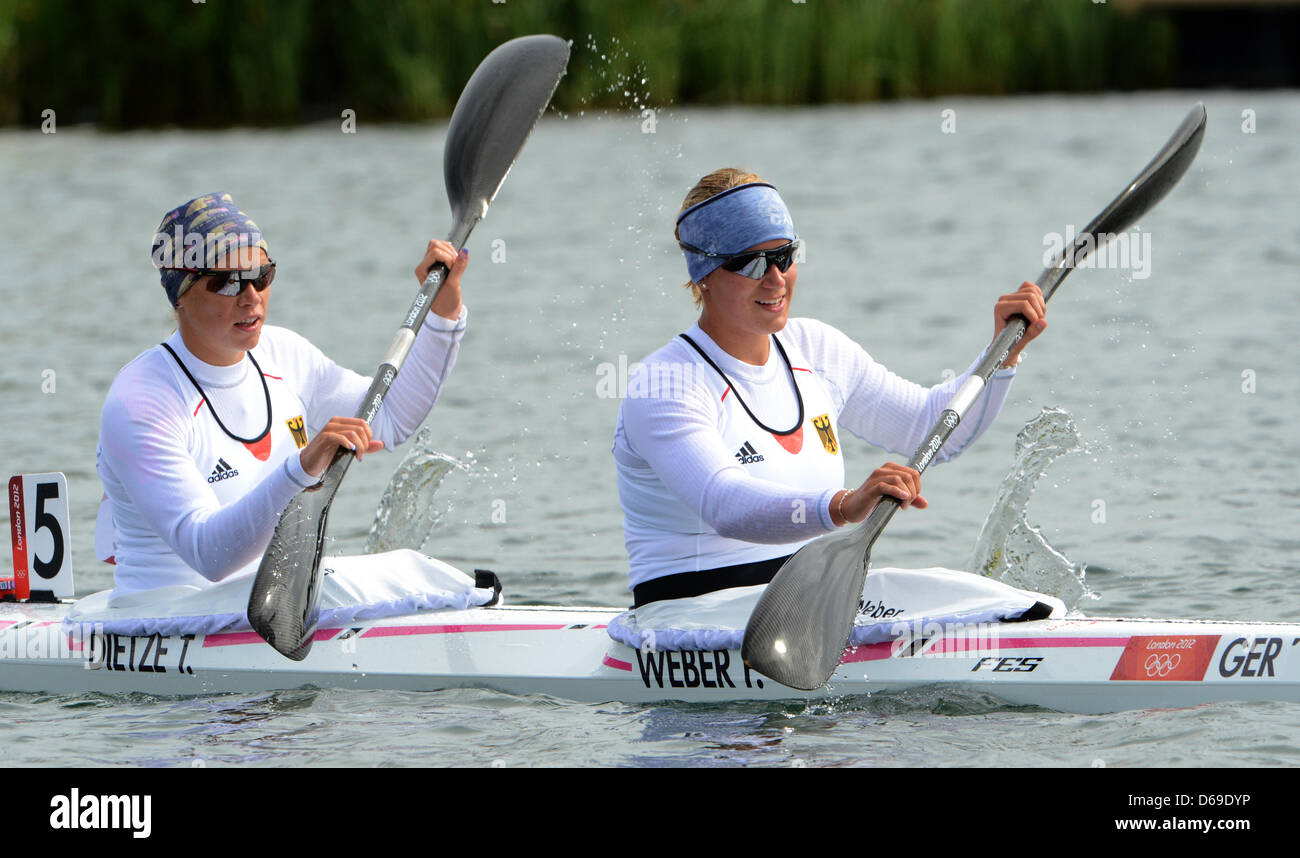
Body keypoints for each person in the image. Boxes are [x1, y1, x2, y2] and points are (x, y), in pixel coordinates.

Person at [612, 169, 1047, 607]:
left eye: (785, 255)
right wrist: (844, 505)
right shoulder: (666, 384)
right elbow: (724, 503)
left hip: (802, 606)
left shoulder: (815, 349)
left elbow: (929, 429)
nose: (776, 279)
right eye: (750, 263)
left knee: (982, 599)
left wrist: (1002, 351)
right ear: (703, 272)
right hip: (687, 621)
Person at [96, 192, 469, 599]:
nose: (251, 295)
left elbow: (391, 418)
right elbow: (209, 554)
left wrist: (443, 314)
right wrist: (302, 466)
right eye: (226, 282)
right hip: (168, 623)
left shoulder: (283, 354)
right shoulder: (142, 401)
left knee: (409, 571)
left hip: (271, 610)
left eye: (262, 275)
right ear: (180, 294)